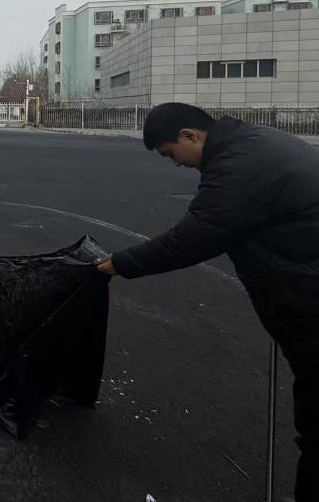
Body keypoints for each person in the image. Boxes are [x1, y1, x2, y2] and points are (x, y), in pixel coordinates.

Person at [97, 103, 319, 502]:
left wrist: (120, 264)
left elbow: (193, 238)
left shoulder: (238, 166)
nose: (176, 164)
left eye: (171, 154)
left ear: (190, 135)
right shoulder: (255, 141)